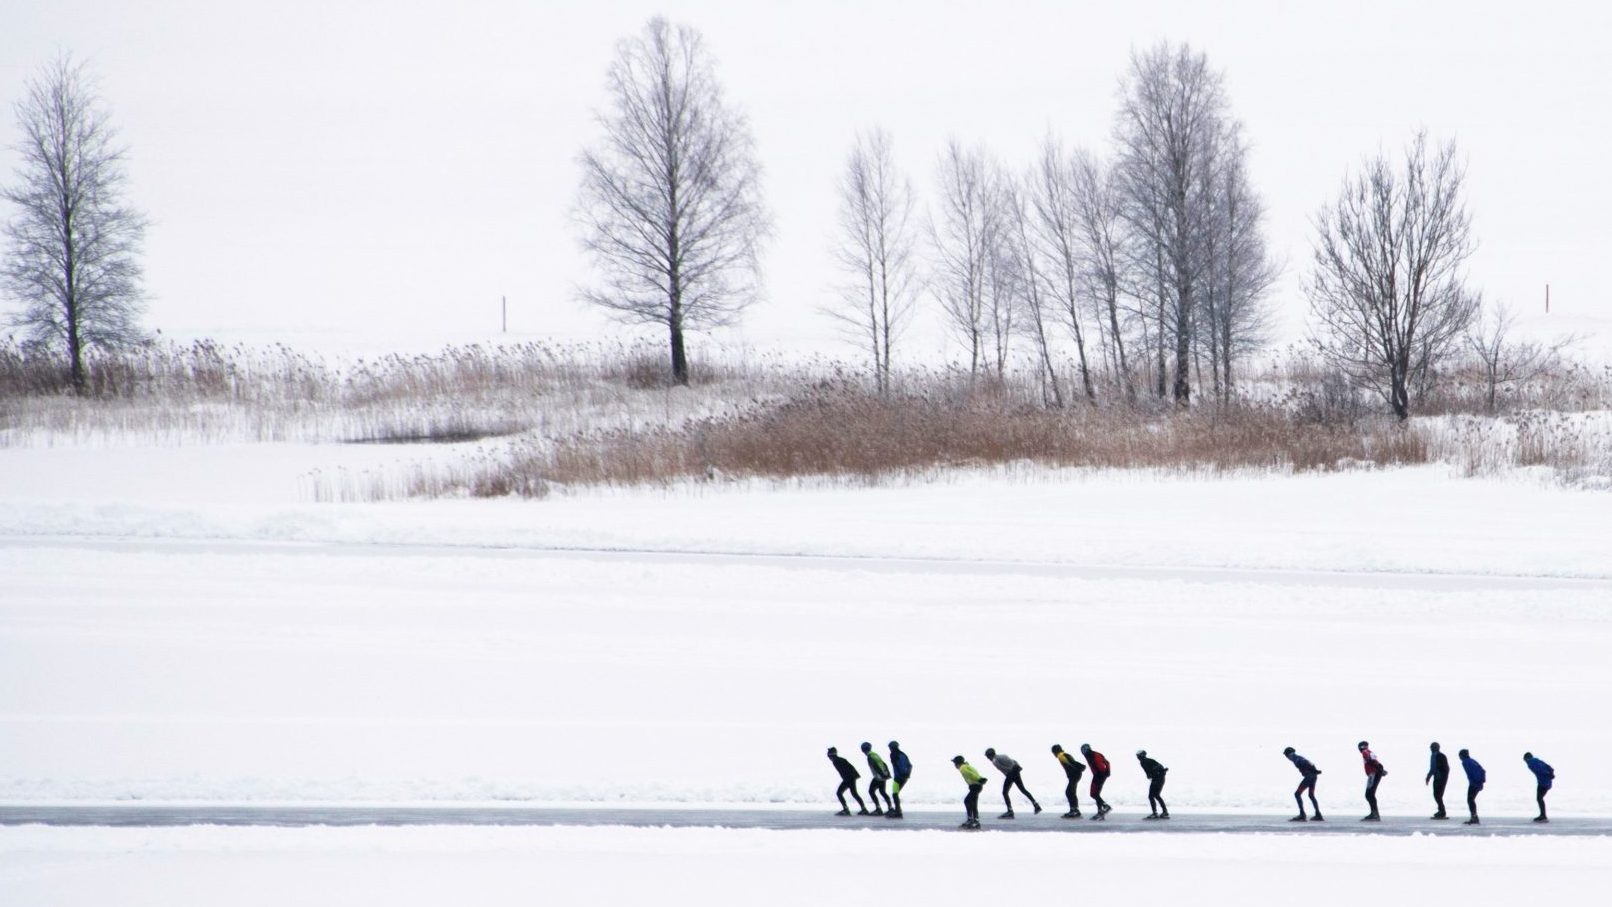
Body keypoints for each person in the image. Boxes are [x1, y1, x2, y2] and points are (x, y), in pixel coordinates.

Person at [984, 748, 1042, 818]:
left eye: (988, 757)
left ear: (990, 755)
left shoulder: (995, 761)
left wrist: (1010, 772)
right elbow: (1014, 761)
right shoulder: (1003, 755)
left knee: (1005, 792)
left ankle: (1010, 811)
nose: (988, 759)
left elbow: (1003, 769)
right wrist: (1017, 768)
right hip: (1015, 771)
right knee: (1023, 789)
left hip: (1011, 773)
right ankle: (1036, 805)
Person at [1283, 746, 1323, 821]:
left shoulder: (1296, 759)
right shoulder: (1298, 757)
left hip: (1309, 777)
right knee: (1311, 795)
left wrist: (1314, 770)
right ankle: (1318, 814)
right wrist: (1315, 770)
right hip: (1313, 776)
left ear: (1288, 755)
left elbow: (1305, 763)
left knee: (1297, 794)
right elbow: (1310, 763)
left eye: (1286, 756)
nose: (1287, 758)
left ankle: (1302, 815)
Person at [827, 747, 868, 816]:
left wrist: (848, 779)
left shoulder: (836, 761)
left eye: (828, 756)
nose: (828, 758)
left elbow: (847, 770)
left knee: (840, 793)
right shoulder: (839, 759)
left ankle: (846, 810)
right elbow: (850, 768)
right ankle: (863, 809)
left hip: (849, 778)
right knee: (854, 793)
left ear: (831, 755)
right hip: (850, 778)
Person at [1050, 744, 1086, 818]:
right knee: (1070, 792)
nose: (1053, 754)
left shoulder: (1061, 756)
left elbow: (1072, 763)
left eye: (1053, 752)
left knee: (1070, 792)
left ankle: (1074, 811)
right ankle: (1074, 810)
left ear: (1055, 751)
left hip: (1075, 775)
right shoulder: (1063, 755)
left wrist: (1080, 767)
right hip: (1075, 775)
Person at [860, 742, 894, 815]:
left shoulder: (870, 756)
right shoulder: (874, 754)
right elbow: (883, 764)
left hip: (879, 777)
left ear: (863, 750)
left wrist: (881, 775)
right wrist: (886, 774)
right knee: (882, 792)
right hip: (883, 776)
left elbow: (876, 766)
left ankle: (878, 809)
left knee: (871, 791)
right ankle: (890, 808)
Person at [1080, 743, 1112, 819]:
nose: (1082, 753)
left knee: (1094, 794)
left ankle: (1105, 806)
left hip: (1099, 776)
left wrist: (1101, 774)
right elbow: (1107, 762)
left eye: (1082, 751)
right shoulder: (1093, 754)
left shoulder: (1092, 755)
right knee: (1096, 794)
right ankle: (1100, 813)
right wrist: (1108, 772)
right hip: (1099, 775)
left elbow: (1100, 765)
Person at [954, 755, 986, 829]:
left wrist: (979, 779)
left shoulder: (962, 768)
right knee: (972, 802)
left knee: (968, 801)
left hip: (975, 786)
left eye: (955, 763)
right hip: (976, 786)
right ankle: (973, 820)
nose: (954, 765)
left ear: (957, 763)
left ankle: (973, 820)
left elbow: (970, 774)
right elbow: (973, 773)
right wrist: (980, 779)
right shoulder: (966, 766)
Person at [1358, 741, 1387, 821]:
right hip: (1375, 773)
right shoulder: (1370, 752)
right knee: (1370, 794)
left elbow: (1371, 761)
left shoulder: (1365, 752)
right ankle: (1374, 813)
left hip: (1373, 774)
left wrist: (1379, 769)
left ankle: (1374, 814)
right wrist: (1381, 769)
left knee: (1369, 794)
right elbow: (1376, 762)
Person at [1136, 750, 1170, 819]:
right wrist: (1150, 775)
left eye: (1138, 756)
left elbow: (1159, 768)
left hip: (1158, 779)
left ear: (1142, 755)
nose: (1138, 757)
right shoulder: (1145, 762)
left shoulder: (1147, 761)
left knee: (1151, 796)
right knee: (1156, 795)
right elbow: (1154, 770)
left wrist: (1154, 774)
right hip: (1158, 779)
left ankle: (1156, 813)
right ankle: (1164, 812)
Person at [1524, 752, 1555, 822]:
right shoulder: (1538, 760)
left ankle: (1543, 816)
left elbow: (1540, 771)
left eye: (1525, 760)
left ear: (1527, 758)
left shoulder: (1531, 764)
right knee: (1540, 798)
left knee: (1539, 798)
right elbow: (1549, 767)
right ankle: (1543, 815)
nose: (1525, 762)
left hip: (1543, 783)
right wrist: (1551, 774)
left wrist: (1548, 775)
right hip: (1547, 782)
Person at [1458, 748, 1485, 825]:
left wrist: (1477, 782)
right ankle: (1474, 817)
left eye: (1459, 756)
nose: (1459, 758)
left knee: (1470, 800)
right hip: (1476, 782)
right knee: (1471, 800)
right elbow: (1481, 770)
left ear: (1462, 756)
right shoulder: (1472, 760)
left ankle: (1474, 817)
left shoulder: (1466, 762)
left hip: (1474, 783)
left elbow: (1474, 772)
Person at [886, 741, 912, 819]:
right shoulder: (903, 754)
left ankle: (898, 812)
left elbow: (899, 765)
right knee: (895, 794)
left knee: (895, 794)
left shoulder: (894, 754)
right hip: (903, 777)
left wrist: (902, 774)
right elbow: (910, 765)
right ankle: (898, 810)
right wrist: (907, 774)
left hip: (898, 778)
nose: (889, 749)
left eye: (890, 747)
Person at [1426, 742, 1451, 819]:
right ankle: (1441, 810)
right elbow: (1447, 768)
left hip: (1438, 778)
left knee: (1437, 795)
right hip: (1443, 777)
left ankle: (1442, 811)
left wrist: (1428, 777)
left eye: (1432, 747)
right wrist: (1445, 777)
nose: (1430, 749)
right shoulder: (1442, 755)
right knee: (1439, 795)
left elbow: (1433, 768)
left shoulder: (1435, 755)